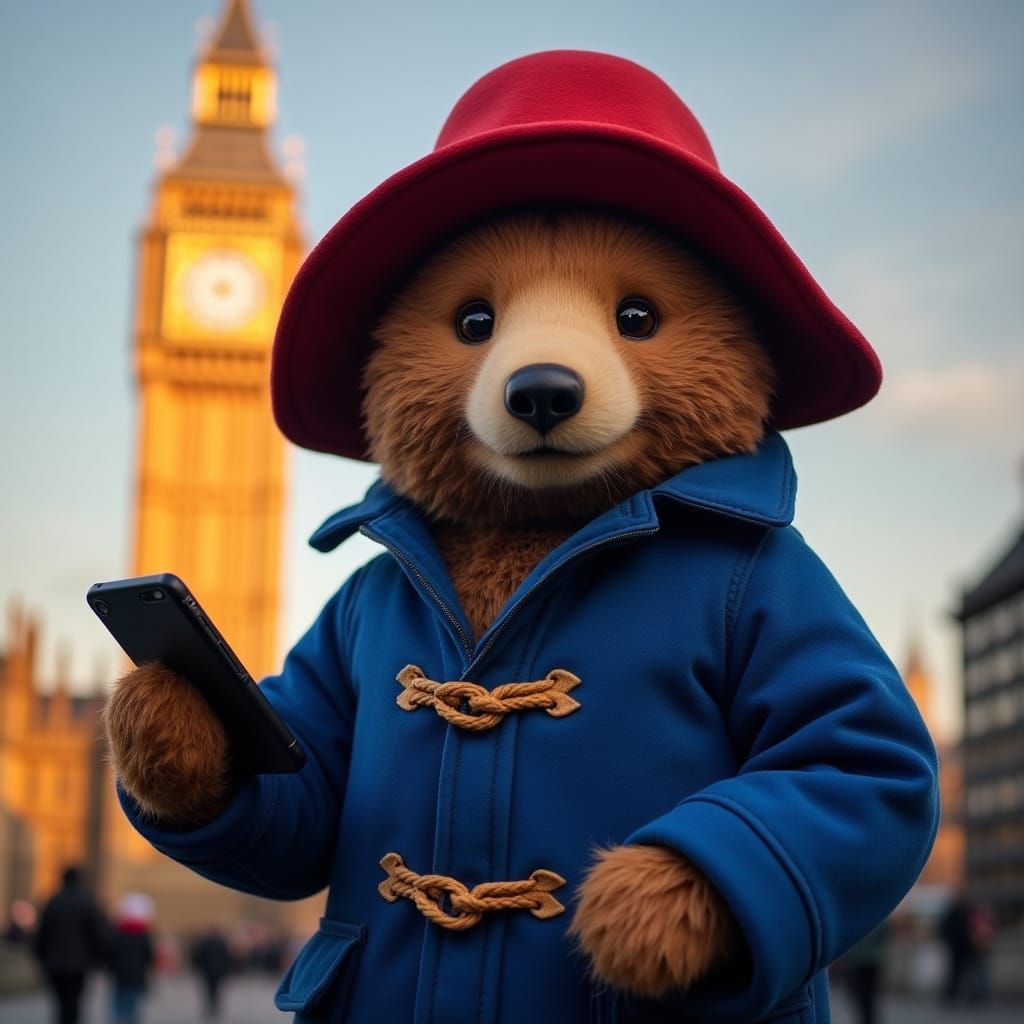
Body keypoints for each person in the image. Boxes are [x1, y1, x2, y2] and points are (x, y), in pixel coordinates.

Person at [33, 865, 109, 1024]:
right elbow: (99, 934)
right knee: (74, 1003)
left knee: (60, 1004)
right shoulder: (87, 903)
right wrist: (100, 959)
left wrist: (40, 957)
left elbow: (41, 934)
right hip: (79, 964)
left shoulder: (53, 902)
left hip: (54, 964)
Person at [107, 893, 155, 1024]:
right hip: (136, 974)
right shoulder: (143, 935)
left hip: (120, 974)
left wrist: (111, 967)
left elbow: (111, 953)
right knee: (132, 1004)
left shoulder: (118, 932)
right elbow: (148, 956)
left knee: (119, 1004)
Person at [843, 919, 889, 1024]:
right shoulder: (879, 917)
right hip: (870, 960)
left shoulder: (857, 919)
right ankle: (868, 1018)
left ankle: (867, 1019)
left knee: (862, 994)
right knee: (868, 995)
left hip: (861, 961)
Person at [938, 891, 975, 1004]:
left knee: (956, 972)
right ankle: (961, 996)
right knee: (963, 972)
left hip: (959, 946)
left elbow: (944, 928)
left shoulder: (954, 913)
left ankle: (953, 995)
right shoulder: (967, 913)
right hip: (964, 946)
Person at [190, 927, 232, 1019]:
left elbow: (199, 956)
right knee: (216, 990)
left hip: (207, 971)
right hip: (218, 971)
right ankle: (215, 1008)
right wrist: (226, 970)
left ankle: (209, 1008)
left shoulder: (205, 943)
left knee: (208, 990)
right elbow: (227, 958)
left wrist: (198, 968)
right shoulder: (222, 943)